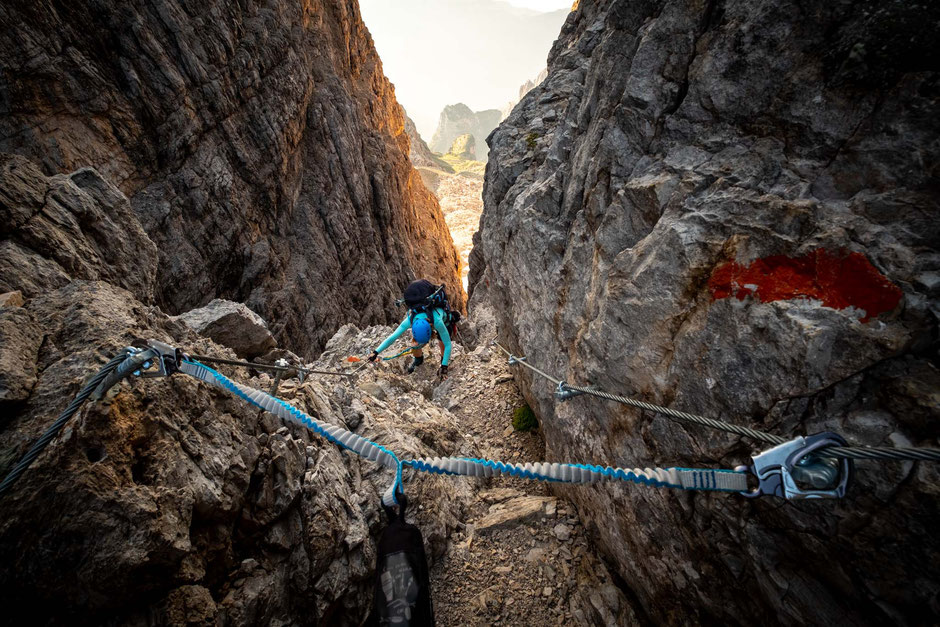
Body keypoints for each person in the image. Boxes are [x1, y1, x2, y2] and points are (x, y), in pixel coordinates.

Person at [368, 280, 455, 381]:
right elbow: (392, 337)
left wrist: (444, 366)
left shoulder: (438, 322)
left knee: (442, 344)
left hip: (445, 322)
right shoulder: (410, 319)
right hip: (425, 322)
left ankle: (442, 361)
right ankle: (418, 360)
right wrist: (375, 352)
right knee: (415, 344)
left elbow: (448, 344)